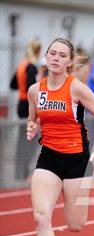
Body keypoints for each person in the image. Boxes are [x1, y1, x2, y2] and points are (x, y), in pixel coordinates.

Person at [26, 38, 94, 236]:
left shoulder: (77, 88)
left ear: (70, 62)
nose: (56, 58)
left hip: (77, 160)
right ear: (46, 57)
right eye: (52, 53)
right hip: (48, 158)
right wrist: (32, 128)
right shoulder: (35, 90)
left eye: (62, 55)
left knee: (75, 225)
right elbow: (33, 119)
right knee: (41, 216)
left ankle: (77, 204)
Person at [10, 39, 42, 180]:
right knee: (30, 138)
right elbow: (31, 88)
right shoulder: (31, 67)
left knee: (22, 139)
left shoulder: (21, 65)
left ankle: (19, 172)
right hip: (28, 105)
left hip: (20, 104)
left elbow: (13, 85)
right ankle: (23, 172)